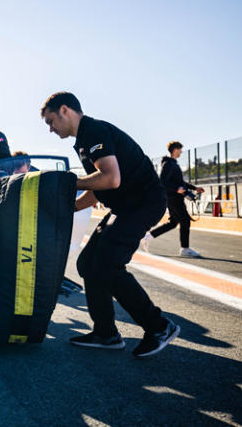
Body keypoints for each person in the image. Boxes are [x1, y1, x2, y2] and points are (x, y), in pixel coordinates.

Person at [41, 92, 180, 358]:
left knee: (107, 266)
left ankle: (159, 326)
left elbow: (110, 178)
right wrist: (70, 207)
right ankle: (106, 334)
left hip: (142, 203)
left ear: (65, 110)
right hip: (125, 206)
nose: (50, 129)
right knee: (88, 265)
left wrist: (68, 181)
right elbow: (100, 186)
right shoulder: (85, 139)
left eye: (51, 121)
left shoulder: (93, 131)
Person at [144, 142, 204, 257]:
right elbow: (163, 182)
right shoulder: (168, 164)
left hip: (173, 197)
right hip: (173, 197)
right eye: (180, 149)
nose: (181, 151)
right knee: (185, 221)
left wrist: (195, 188)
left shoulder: (173, 164)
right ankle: (185, 249)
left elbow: (180, 182)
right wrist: (177, 189)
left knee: (173, 223)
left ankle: (148, 236)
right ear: (175, 150)